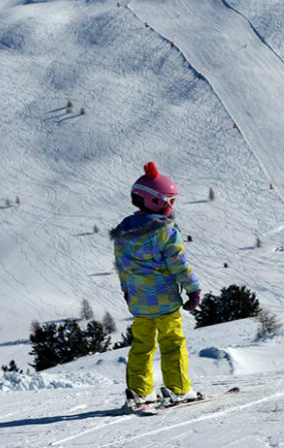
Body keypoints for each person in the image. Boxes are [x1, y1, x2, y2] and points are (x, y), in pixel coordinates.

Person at [110, 161, 202, 407]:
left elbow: (122, 268)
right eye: (169, 201)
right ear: (154, 201)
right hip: (165, 302)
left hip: (139, 303)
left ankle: (139, 392)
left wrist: (127, 292)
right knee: (172, 343)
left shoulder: (122, 234)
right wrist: (193, 289)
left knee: (142, 345)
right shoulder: (166, 231)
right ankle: (179, 389)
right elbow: (179, 264)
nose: (172, 207)